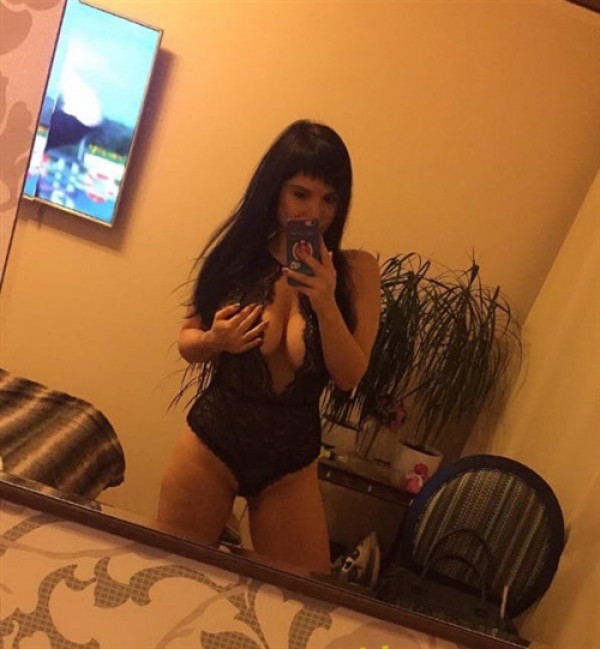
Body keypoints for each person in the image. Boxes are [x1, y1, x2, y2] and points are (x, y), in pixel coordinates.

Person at [157, 120, 380, 574]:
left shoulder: (356, 272)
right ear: (274, 190)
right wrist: (214, 340)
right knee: (169, 576)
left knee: (300, 601)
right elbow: (187, 341)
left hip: (290, 462)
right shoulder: (237, 255)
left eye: (329, 199)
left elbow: (349, 376)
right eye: (301, 194)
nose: (314, 212)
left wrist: (325, 301)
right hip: (213, 441)